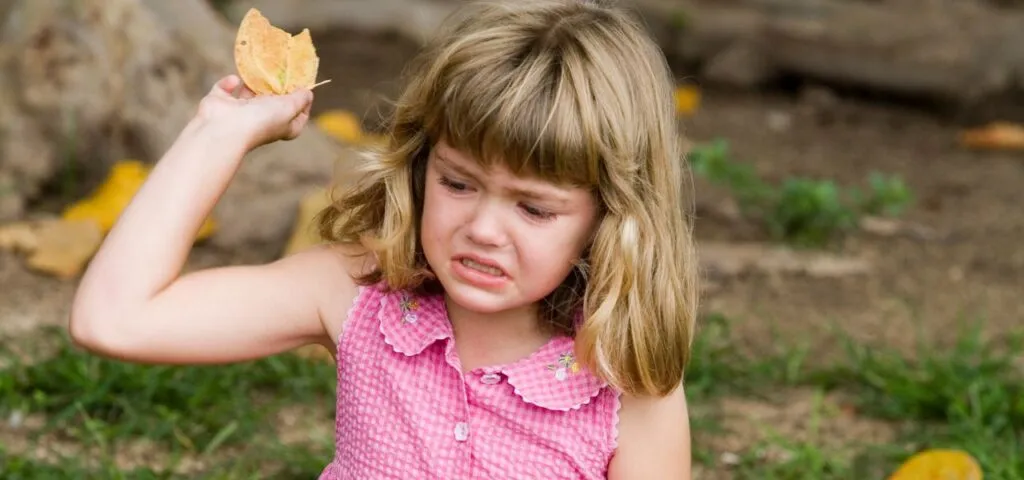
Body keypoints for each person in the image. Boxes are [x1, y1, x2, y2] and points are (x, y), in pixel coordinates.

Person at [69, 0, 700, 478]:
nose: (482, 229)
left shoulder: (624, 376)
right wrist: (219, 134)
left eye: (534, 209)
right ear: (422, 166)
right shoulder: (358, 291)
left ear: (611, 217)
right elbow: (115, 320)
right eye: (458, 183)